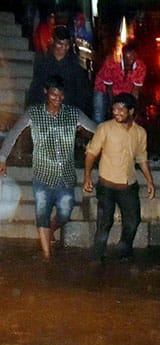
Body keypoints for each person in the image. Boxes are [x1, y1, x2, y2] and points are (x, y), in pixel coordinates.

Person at [0, 75, 97, 259]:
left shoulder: (73, 114)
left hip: (66, 175)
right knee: (42, 212)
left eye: (60, 96)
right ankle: (46, 256)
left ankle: (52, 229)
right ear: (46, 93)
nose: (57, 99)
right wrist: (2, 158)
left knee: (65, 212)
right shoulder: (33, 113)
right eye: (53, 95)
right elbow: (14, 134)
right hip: (42, 175)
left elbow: (97, 130)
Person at [82, 92, 155, 261]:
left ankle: (123, 251)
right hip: (106, 184)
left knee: (133, 221)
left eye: (121, 110)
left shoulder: (140, 133)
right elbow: (91, 153)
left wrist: (149, 181)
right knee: (104, 222)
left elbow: (142, 158)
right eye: (114, 109)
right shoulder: (105, 128)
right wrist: (87, 175)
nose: (116, 113)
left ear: (131, 111)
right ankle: (98, 256)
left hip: (128, 185)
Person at [26, 25, 89, 113]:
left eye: (66, 44)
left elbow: (80, 91)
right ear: (53, 42)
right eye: (60, 43)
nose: (63, 47)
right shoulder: (42, 61)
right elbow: (37, 85)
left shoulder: (75, 64)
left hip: (68, 108)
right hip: (45, 108)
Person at [92, 41, 146, 123]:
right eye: (127, 58)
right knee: (99, 115)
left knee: (124, 117)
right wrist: (113, 107)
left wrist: (133, 108)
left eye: (133, 57)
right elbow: (108, 88)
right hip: (103, 88)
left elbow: (135, 91)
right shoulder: (111, 63)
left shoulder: (140, 67)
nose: (130, 61)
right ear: (122, 56)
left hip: (124, 91)